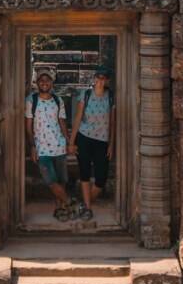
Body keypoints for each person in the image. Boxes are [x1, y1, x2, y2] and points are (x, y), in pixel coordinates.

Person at [67, 65, 115, 221]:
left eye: (103, 78)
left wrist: (111, 144)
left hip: (102, 141)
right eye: (98, 78)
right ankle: (87, 208)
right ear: (94, 79)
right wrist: (71, 142)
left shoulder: (110, 97)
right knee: (85, 173)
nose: (100, 81)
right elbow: (78, 118)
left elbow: (112, 122)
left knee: (101, 178)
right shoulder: (86, 95)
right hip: (84, 137)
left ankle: (82, 203)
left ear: (107, 81)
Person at [25, 68, 73, 221]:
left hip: (59, 145)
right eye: (41, 80)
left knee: (61, 180)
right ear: (37, 82)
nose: (44, 82)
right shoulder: (31, 100)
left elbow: (62, 122)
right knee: (51, 181)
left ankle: (60, 208)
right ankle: (72, 204)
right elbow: (28, 126)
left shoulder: (58, 100)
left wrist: (68, 141)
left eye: (47, 80)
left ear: (52, 82)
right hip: (42, 148)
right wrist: (32, 146)